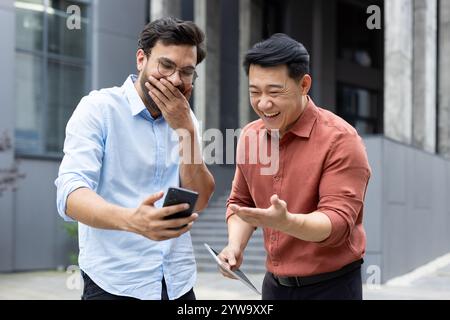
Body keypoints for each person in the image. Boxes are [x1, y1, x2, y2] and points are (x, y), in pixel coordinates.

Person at [55, 17, 215, 300]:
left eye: (187, 71)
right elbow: (70, 193)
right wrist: (132, 220)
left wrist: (187, 132)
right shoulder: (98, 109)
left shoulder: (186, 119)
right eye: (166, 65)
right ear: (141, 59)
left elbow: (199, 199)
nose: (176, 80)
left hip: (177, 281)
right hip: (115, 282)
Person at [218, 33, 371, 300]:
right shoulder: (250, 136)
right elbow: (240, 204)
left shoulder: (341, 139)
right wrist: (234, 246)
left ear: (304, 85)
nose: (263, 104)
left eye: (275, 92)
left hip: (331, 288)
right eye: (255, 92)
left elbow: (337, 223)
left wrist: (287, 222)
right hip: (274, 287)